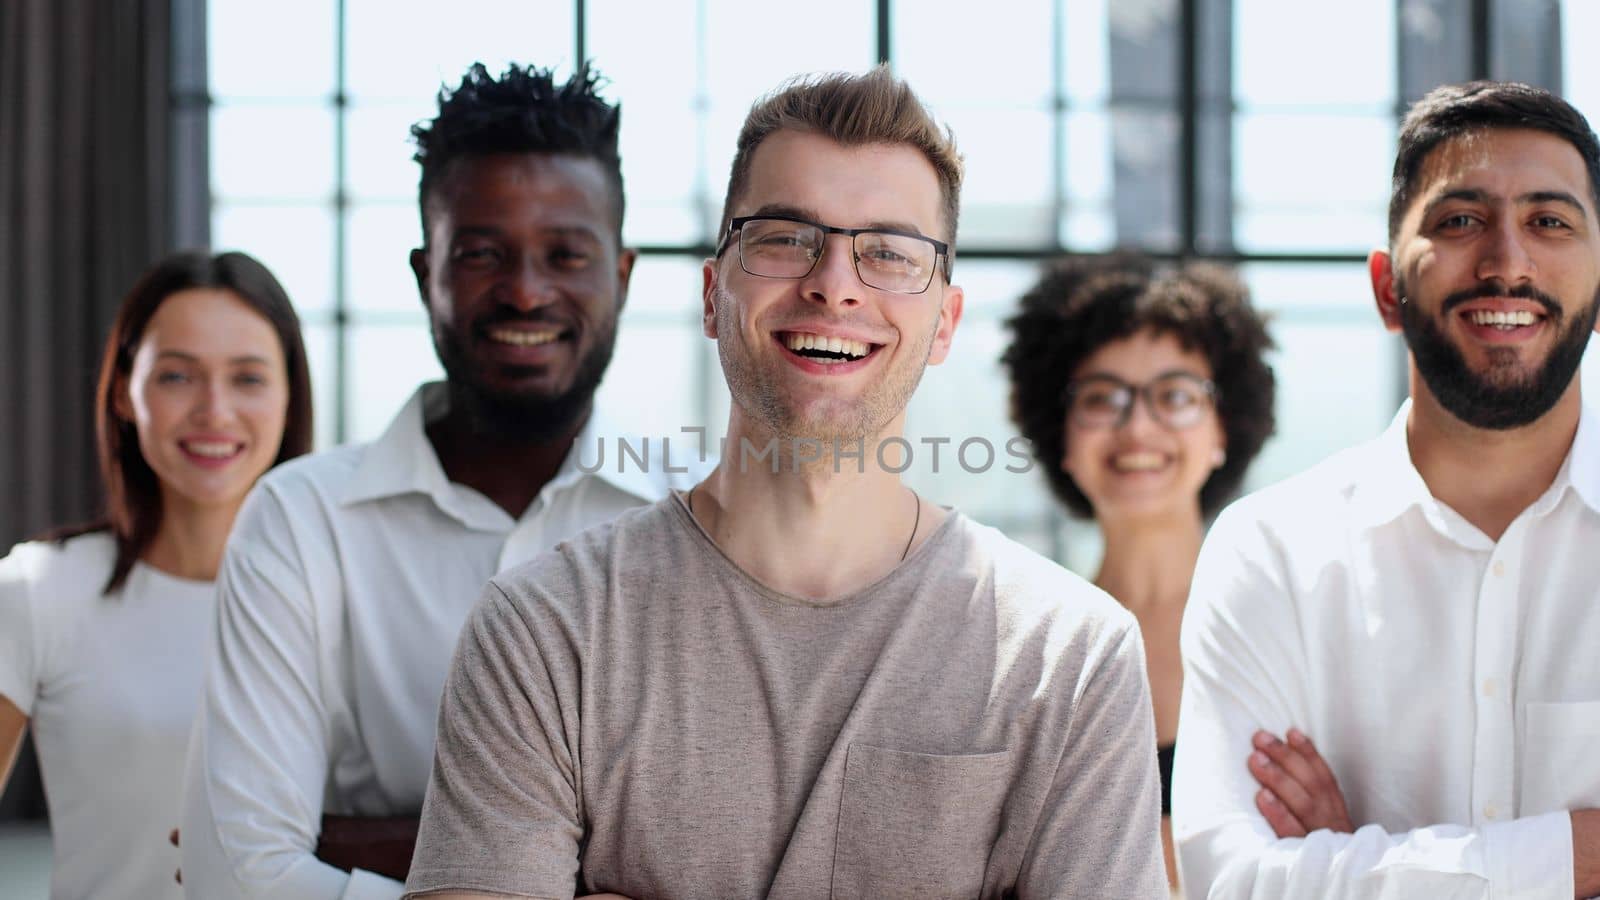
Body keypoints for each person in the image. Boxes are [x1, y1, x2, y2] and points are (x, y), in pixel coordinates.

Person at [402, 66, 1168, 900]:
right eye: (783, 237)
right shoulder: (546, 635)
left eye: (887, 252)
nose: (834, 283)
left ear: (943, 322)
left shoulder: (1070, 656)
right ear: (711, 293)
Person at [180, 63, 699, 899]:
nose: (526, 292)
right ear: (427, 273)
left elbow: (733, 855)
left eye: (565, 254)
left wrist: (356, 844)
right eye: (482, 254)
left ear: (624, 275)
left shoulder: (704, 515)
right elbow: (230, 875)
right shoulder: (300, 521)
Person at [1173, 80, 1600, 899]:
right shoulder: (1270, 552)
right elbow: (1232, 882)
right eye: (1460, 221)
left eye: (1549, 222)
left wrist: (1357, 863)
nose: (1507, 262)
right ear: (1385, 288)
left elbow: (1289, 884)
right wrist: (1579, 851)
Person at [0, 250, 313, 900]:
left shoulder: (341, 596)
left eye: (248, 378)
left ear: (288, 396)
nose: (214, 410)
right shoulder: (40, 591)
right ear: (123, 391)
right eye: (177, 376)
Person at [1001, 255, 1276, 888]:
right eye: (1103, 397)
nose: (1139, 426)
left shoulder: (1280, 625)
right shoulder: (1027, 650)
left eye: (1175, 395)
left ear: (1222, 429)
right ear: (1061, 436)